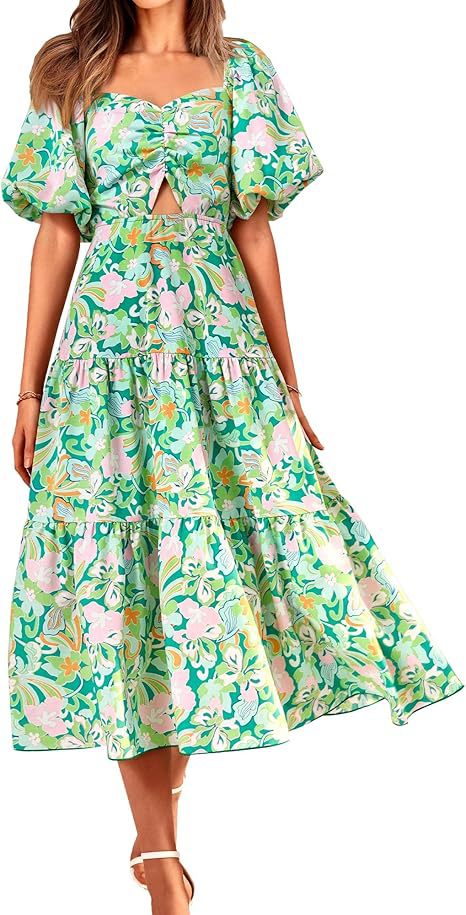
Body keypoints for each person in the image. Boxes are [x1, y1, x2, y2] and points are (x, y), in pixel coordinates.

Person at [2, 1, 463, 913]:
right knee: (122, 586)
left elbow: (254, 230)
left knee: (215, 574)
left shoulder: (242, 70)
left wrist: (289, 383)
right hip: (106, 363)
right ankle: (160, 861)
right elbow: (56, 233)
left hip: (221, 351)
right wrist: (28, 390)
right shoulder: (68, 69)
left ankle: (157, 838)